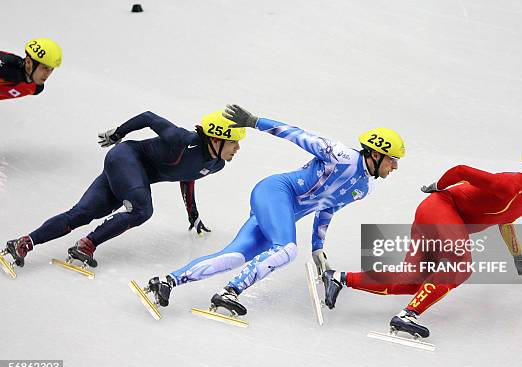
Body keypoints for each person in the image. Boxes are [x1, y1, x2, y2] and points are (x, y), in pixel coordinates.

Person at [141, 104, 405, 315]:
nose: (394, 167)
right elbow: (296, 134)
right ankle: (231, 291)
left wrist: (317, 248)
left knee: (234, 256)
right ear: (375, 154)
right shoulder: (340, 155)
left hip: (281, 213)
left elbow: (328, 209)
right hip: (276, 192)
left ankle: (167, 281)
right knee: (287, 249)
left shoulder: (365, 188)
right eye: (393, 161)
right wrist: (255, 121)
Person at [323, 143, 522, 338]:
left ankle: (339, 278)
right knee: (460, 266)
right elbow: (461, 171)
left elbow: (505, 220)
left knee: (413, 282)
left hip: (437, 217)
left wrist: (517, 255)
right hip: (440, 208)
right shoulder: (513, 184)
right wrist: (437, 186)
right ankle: (408, 315)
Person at [1, 110, 244, 271]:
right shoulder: (182, 139)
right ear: (216, 138)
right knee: (141, 210)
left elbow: (188, 176)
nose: (238, 148)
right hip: (125, 157)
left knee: (82, 213)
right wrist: (118, 132)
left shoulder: (216, 164)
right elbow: (149, 117)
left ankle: (23, 242)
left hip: (132, 178)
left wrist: (193, 213)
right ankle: (86, 245)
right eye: (234, 142)